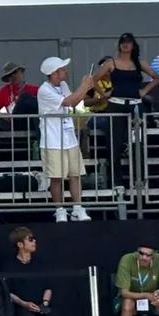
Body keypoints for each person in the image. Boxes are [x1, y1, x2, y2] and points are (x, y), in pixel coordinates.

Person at [92, 33, 159, 185]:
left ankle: (140, 180)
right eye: (123, 42)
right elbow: (94, 79)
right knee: (114, 144)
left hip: (135, 104)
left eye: (128, 42)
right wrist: (104, 94)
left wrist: (143, 91)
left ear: (133, 45)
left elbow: (157, 77)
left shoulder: (139, 63)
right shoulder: (111, 63)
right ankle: (116, 183)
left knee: (138, 142)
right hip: (116, 104)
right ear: (119, 45)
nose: (125, 45)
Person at [37, 57, 93, 223]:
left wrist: (86, 87)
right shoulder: (44, 90)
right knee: (56, 177)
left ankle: (77, 207)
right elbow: (69, 101)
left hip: (69, 138)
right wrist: (84, 86)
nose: (65, 71)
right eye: (62, 69)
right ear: (54, 73)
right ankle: (60, 209)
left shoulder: (63, 85)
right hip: (52, 140)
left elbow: (75, 101)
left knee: (75, 174)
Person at [5, 226, 53, 316]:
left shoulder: (40, 264)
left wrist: (44, 304)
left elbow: (48, 287)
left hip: (42, 306)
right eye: (30, 239)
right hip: (21, 307)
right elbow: (8, 292)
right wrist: (24, 304)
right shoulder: (10, 266)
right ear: (20, 244)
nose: (34, 241)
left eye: (34, 239)